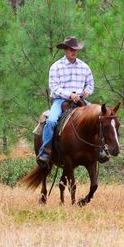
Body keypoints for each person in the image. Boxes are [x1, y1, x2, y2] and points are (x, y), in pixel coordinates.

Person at [36, 36, 106, 168]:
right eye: (70, 49)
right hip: (61, 100)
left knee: (100, 118)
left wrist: (87, 91)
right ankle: (45, 152)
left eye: (75, 49)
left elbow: (90, 84)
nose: (73, 52)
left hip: (81, 100)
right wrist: (70, 94)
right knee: (51, 121)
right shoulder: (56, 67)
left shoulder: (84, 67)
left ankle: (100, 149)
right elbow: (54, 87)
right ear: (65, 50)